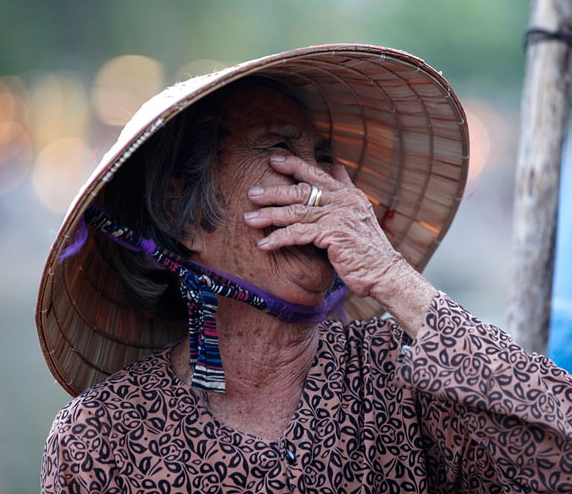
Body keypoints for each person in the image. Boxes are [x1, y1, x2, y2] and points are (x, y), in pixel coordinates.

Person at [38, 45, 572, 493]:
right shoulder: (99, 441)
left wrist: (392, 276)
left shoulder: (403, 384)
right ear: (185, 214)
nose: (327, 190)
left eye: (322, 158)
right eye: (281, 152)